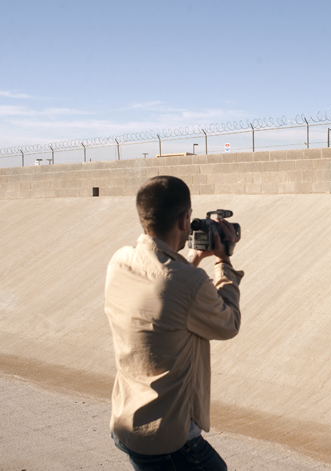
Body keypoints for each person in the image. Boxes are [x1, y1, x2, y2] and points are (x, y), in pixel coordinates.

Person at [105, 175, 243, 471]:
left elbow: (164, 287)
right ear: (184, 220)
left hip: (128, 423)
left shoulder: (119, 261)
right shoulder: (188, 283)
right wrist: (223, 261)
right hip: (168, 438)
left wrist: (192, 257)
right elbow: (229, 323)